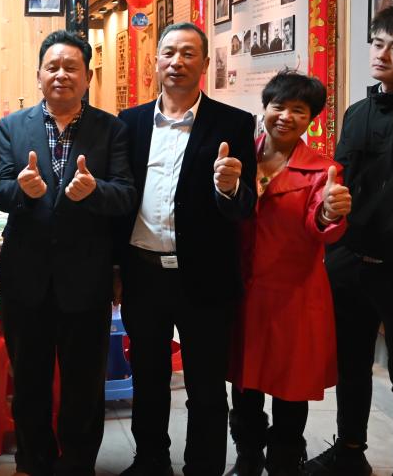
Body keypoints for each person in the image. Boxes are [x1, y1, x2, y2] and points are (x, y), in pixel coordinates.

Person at [305, 4, 393, 476]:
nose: (381, 55)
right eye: (377, 43)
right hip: (350, 260)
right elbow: (339, 180)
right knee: (351, 364)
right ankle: (350, 453)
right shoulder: (359, 112)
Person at [0, 30, 138, 476]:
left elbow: (126, 194)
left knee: (84, 386)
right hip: (25, 280)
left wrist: (95, 191)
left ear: (87, 76)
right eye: (52, 67)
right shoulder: (11, 126)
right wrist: (22, 190)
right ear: (39, 75)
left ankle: (77, 464)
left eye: (71, 67)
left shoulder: (111, 128)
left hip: (85, 280)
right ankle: (33, 461)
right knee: (29, 382)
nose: (61, 75)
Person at [116, 23, 257, 476]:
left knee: (206, 385)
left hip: (205, 275)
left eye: (189, 53)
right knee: (149, 377)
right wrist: (115, 268)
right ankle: (150, 459)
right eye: (169, 52)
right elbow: (121, 199)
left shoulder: (234, 123)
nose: (177, 61)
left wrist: (229, 188)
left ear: (205, 63)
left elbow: (245, 206)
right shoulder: (129, 122)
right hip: (143, 272)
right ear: (156, 60)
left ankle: (203, 466)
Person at [227, 71, 351, 476]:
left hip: (294, 297)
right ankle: (247, 457)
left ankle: (285, 463)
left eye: (299, 110)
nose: (286, 116)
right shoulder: (238, 161)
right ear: (264, 108)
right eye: (278, 106)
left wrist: (329, 213)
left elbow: (322, 224)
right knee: (244, 385)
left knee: (290, 390)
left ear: (311, 119)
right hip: (244, 293)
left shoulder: (322, 170)